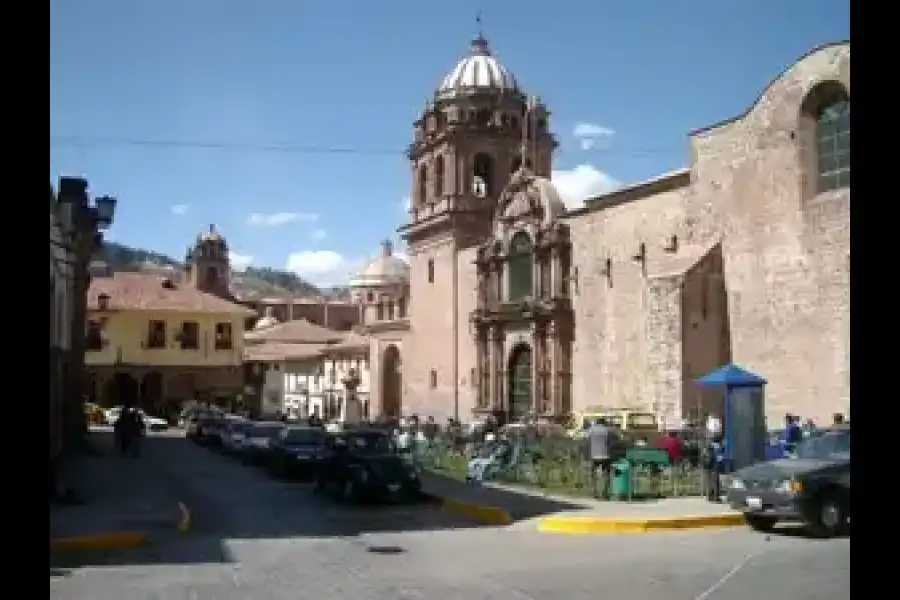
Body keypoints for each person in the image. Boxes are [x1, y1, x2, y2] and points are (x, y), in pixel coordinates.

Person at [588, 418, 617, 500]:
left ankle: (595, 492)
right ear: (604, 423)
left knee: (594, 474)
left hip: (594, 455)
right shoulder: (607, 430)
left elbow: (586, 438)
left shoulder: (592, 430)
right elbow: (613, 440)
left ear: (597, 423)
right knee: (606, 474)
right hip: (605, 455)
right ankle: (605, 493)